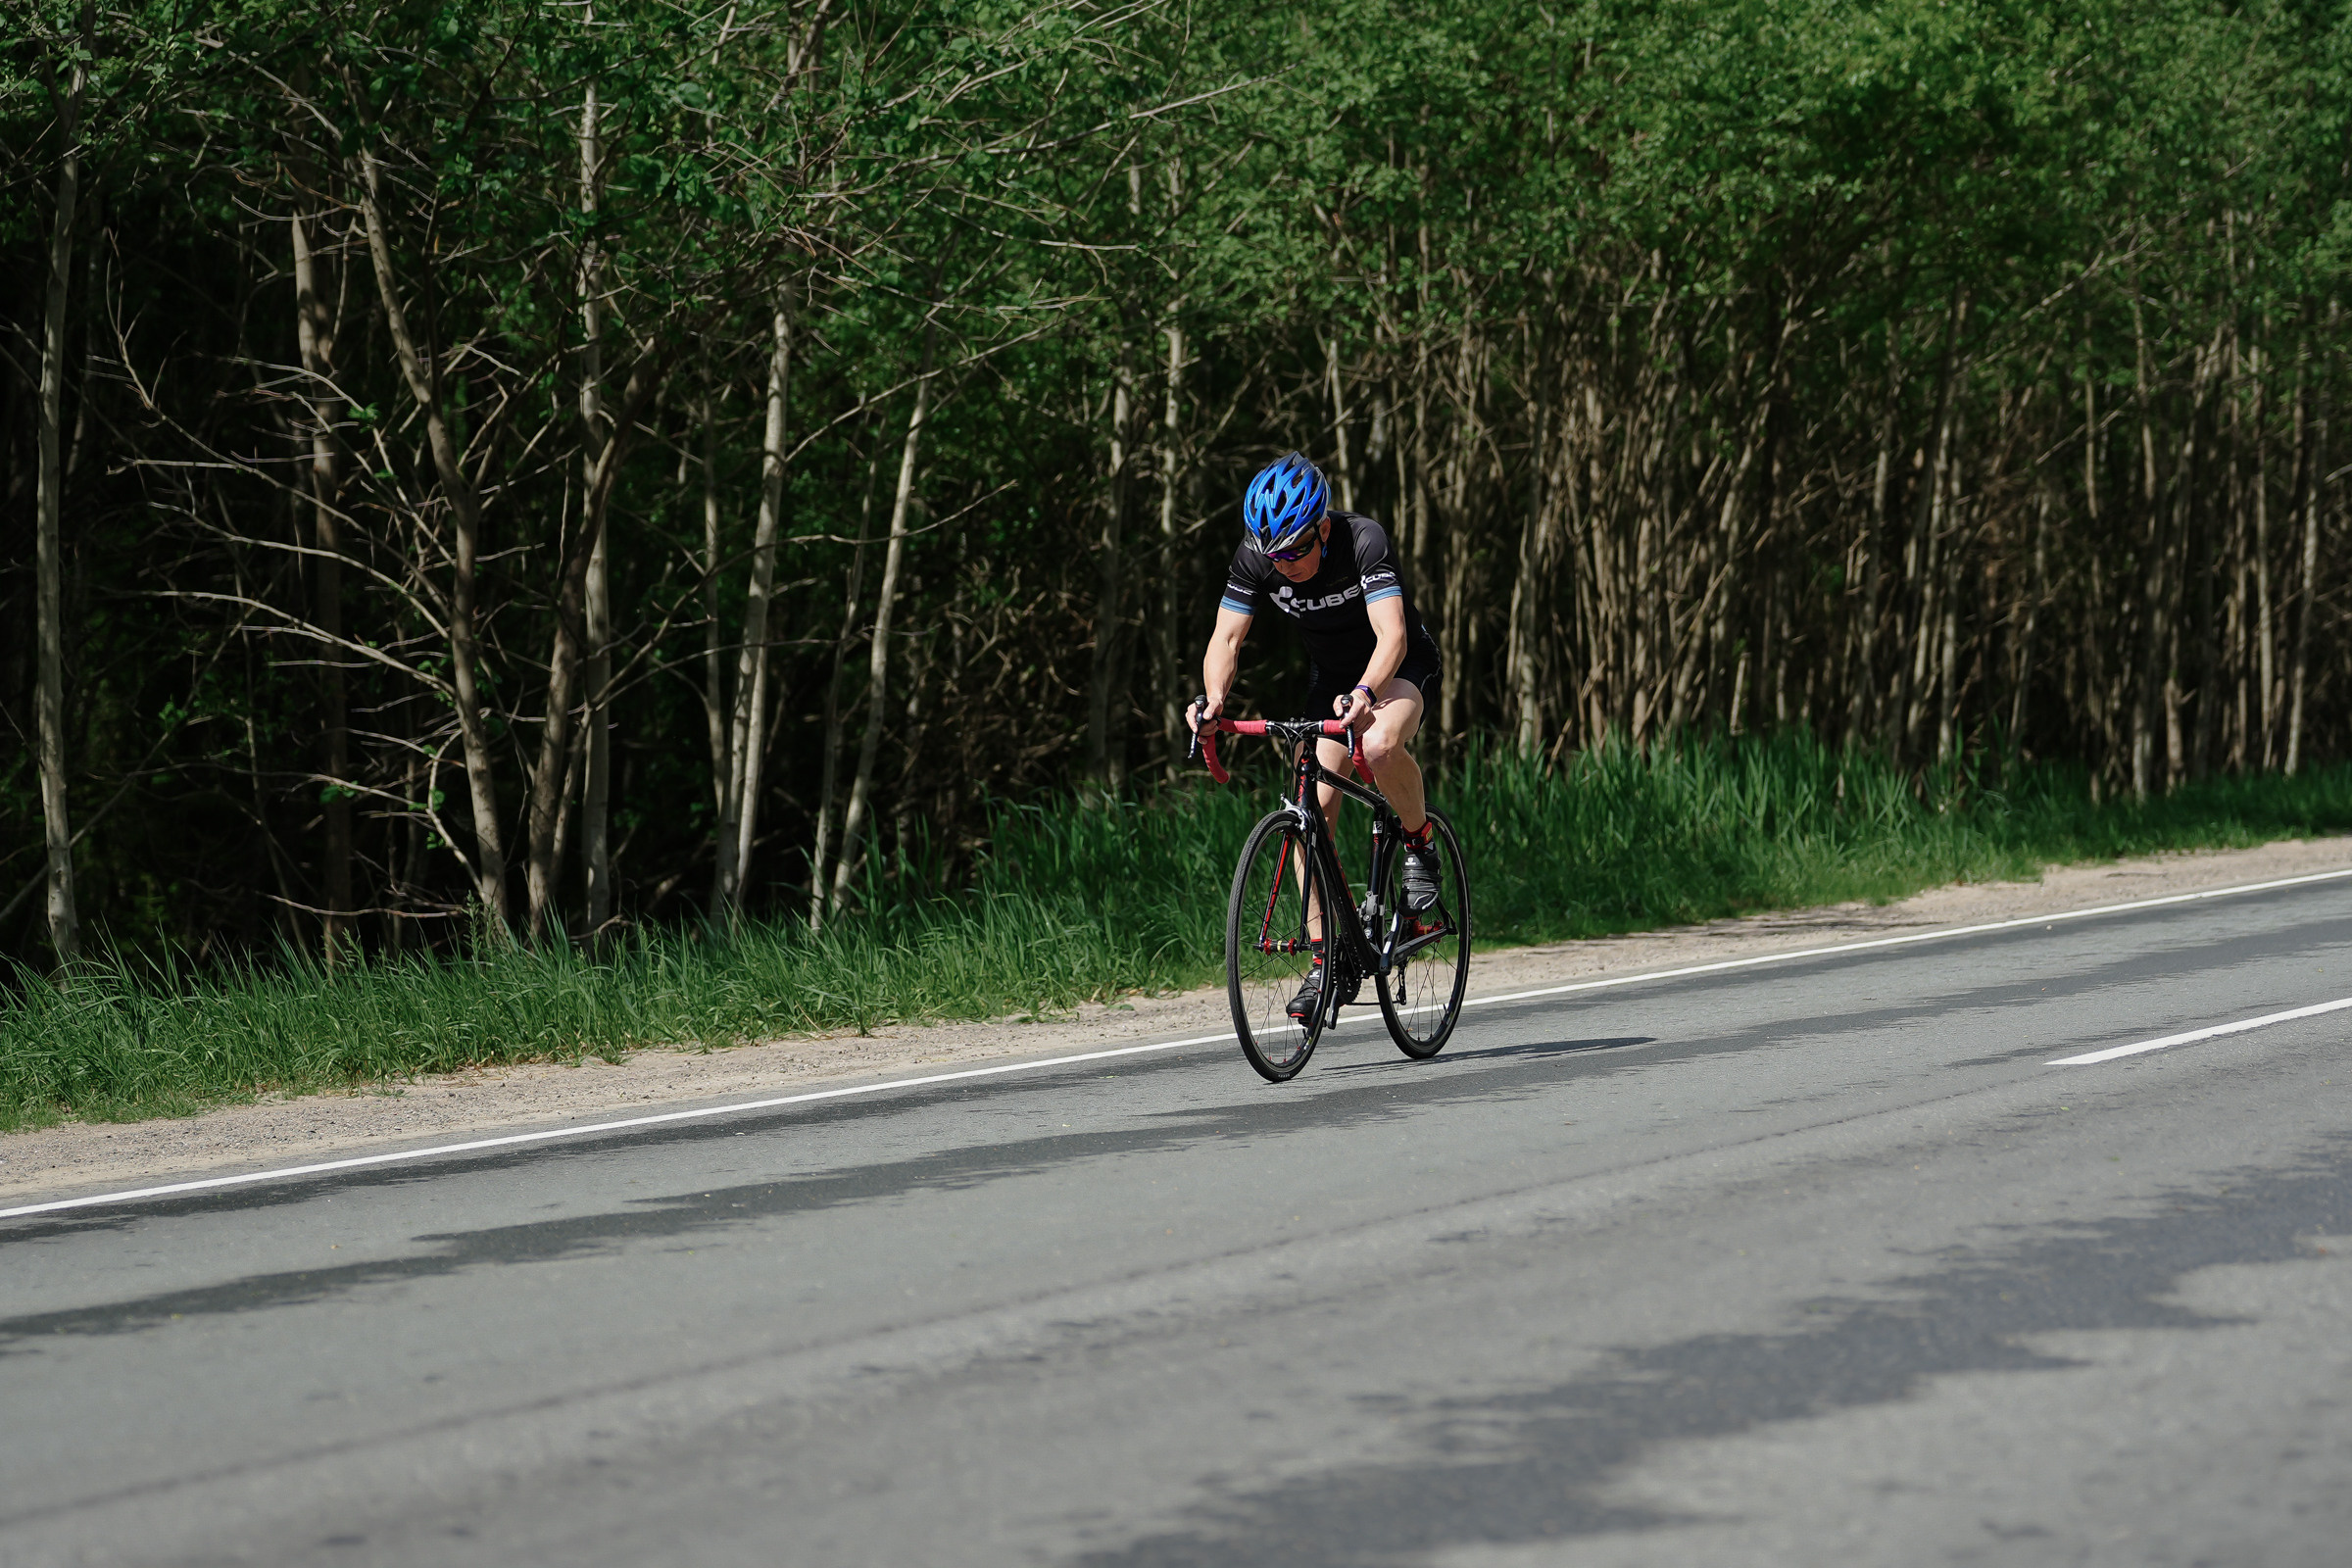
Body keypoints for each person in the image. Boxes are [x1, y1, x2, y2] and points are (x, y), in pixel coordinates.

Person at [1186, 451, 1446, 1023]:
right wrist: (1215, 701)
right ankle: (1332, 957)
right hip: (1330, 680)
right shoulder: (1259, 556)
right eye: (1276, 555)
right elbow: (1225, 642)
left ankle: (1420, 842)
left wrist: (1366, 694)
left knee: (1378, 747)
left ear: (1322, 528)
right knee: (1308, 811)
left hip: (1395, 666)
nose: (1288, 564)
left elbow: (1392, 635)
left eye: (1299, 549)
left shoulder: (1363, 542)